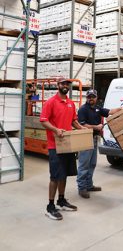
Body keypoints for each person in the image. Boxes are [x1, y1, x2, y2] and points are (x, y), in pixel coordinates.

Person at [40, 77, 85, 221]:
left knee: (64, 174)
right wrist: (55, 130)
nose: (65, 86)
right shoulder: (51, 102)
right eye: (63, 84)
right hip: (55, 146)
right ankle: (50, 206)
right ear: (58, 85)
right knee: (54, 176)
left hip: (68, 144)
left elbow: (74, 121)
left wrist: (82, 129)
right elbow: (43, 120)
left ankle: (61, 200)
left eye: (67, 84)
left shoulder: (71, 103)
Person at [76, 89, 120, 198]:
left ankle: (89, 185)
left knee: (92, 164)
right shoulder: (83, 110)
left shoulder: (97, 108)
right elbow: (82, 125)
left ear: (96, 97)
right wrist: (96, 127)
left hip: (95, 138)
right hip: (85, 139)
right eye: (89, 97)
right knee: (84, 164)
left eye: (93, 97)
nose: (91, 99)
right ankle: (82, 188)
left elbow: (109, 112)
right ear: (87, 98)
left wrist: (120, 109)